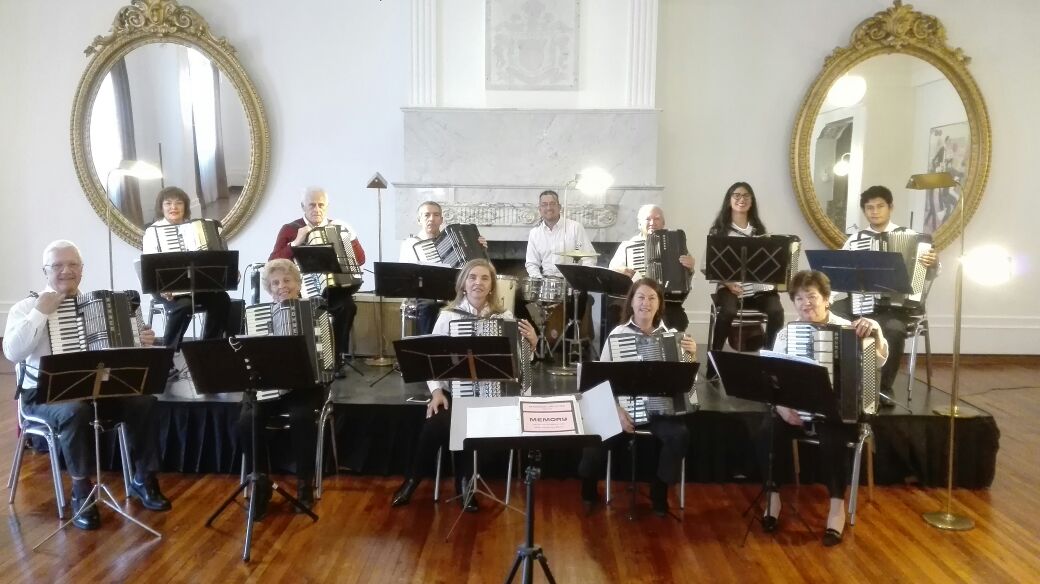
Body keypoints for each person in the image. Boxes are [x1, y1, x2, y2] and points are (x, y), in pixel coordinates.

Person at [3, 240, 172, 531]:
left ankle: (144, 477)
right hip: (44, 396)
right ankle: (81, 491)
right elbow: (13, 353)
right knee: (74, 412)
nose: (66, 271)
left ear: (82, 270)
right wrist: (40, 313)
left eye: (73, 265)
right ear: (45, 271)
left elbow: (121, 355)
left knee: (143, 402)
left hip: (98, 390)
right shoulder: (26, 307)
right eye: (57, 266)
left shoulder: (101, 305)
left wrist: (141, 340)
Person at [390, 259, 538, 511]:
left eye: (484, 278)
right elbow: (431, 359)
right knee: (435, 425)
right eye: (472, 277)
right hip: (454, 393)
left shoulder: (505, 317)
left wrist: (531, 344)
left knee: (478, 428)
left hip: (491, 396)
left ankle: (464, 484)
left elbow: (518, 363)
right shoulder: (448, 317)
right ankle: (412, 480)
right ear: (463, 284)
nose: (478, 283)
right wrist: (436, 391)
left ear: (492, 285)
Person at [757, 270, 888, 546]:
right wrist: (781, 407)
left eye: (812, 297)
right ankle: (773, 497)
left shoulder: (850, 328)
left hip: (838, 410)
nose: (806, 303)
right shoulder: (786, 334)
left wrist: (875, 331)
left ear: (827, 300)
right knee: (768, 429)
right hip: (795, 408)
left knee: (834, 438)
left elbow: (877, 361)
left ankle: (837, 507)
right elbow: (774, 378)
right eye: (800, 298)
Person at [577, 278, 696, 516]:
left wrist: (690, 357)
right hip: (621, 409)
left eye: (652, 298)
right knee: (595, 438)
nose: (646, 303)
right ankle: (588, 488)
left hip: (660, 409)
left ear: (659, 304)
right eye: (641, 297)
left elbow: (686, 386)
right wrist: (617, 412)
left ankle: (659, 491)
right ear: (631, 302)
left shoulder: (673, 337)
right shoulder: (616, 335)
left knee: (679, 435)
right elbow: (600, 382)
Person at [236, 259, 325, 518]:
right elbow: (247, 358)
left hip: (304, 388)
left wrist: (323, 353)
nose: (281, 287)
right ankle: (260, 485)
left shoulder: (316, 312)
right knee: (246, 419)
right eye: (275, 283)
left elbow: (327, 359)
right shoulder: (257, 317)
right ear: (269, 289)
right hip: (268, 388)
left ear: (298, 284)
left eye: (287, 281)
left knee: (301, 417)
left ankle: (304, 485)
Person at [835, 186, 938, 406]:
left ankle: (884, 388)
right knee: (829, 315)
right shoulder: (855, 240)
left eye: (880, 206)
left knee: (893, 328)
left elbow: (929, 273)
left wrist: (933, 264)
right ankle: (841, 381)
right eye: (869, 207)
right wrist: (827, 299)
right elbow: (840, 273)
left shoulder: (912, 238)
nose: (874, 211)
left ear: (891, 207)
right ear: (864, 211)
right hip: (860, 301)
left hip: (896, 306)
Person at [270, 187, 367, 376]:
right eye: (312, 205)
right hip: (299, 291)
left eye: (321, 205)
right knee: (308, 310)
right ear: (302, 207)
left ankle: (336, 358)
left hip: (334, 289)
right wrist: (295, 244)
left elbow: (360, 259)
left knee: (348, 307)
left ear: (327, 206)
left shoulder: (337, 227)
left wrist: (352, 238)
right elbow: (274, 261)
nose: (316, 209)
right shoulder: (290, 229)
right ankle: (305, 360)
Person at [142, 186, 232, 356]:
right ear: (161, 207)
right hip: (166, 289)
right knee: (183, 306)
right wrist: (163, 288)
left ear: (185, 207)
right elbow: (150, 266)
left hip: (197, 286)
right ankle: (168, 354)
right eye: (168, 203)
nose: (173, 207)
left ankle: (209, 349)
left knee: (222, 300)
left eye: (178, 203)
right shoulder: (152, 232)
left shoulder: (197, 227)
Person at [706, 182, 785, 362]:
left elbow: (768, 264)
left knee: (776, 311)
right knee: (727, 311)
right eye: (737, 195)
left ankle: (768, 358)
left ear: (752, 201)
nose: (741, 199)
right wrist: (727, 283)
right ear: (729, 200)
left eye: (746, 196)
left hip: (758, 289)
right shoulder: (719, 231)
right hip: (730, 286)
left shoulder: (760, 231)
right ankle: (715, 360)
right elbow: (708, 265)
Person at [398, 201, 487, 335]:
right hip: (424, 296)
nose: (431, 219)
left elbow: (474, 266)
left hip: (453, 293)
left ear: (441, 220)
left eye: (436, 215)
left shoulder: (452, 239)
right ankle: (429, 346)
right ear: (419, 220)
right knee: (429, 306)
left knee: (474, 302)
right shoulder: (410, 243)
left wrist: (481, 249)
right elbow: (405, 276)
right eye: (426, 215)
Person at [525, 190, 596, 356]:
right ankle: (539, 347)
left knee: (580, 296)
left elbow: (589, 257)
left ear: (559, 207)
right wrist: (539, 281)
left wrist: (579, 278)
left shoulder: (574, 227)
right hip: (546, 282)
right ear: (539, 208)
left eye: (552, 204)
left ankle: (570, 346)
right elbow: (531, 263)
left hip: (571, 281)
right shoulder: (534, 233)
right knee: (525, 301)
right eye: (544, 204)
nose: (548, 207)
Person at [608, 204, 695, 332]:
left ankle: (669, 351)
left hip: (666, 300)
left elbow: (687, 281)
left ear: (663, 223)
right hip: (635, 298)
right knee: (613, 313)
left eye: (657, 219)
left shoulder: (676, 244)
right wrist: (621, 271)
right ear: (639, 224)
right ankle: (622, 349)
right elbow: (612, 269)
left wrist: (690, 268)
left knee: (677, 319)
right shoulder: (628, 245)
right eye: (648, 219)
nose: (652, 222)